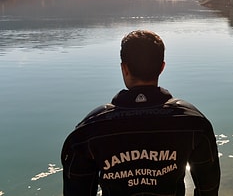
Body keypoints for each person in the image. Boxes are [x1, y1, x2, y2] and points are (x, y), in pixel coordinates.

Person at [61, 30, 220, 196]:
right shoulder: (194, 124)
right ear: (162, 67)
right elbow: (208, 189)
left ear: (125, 69)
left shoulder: (88, 131)